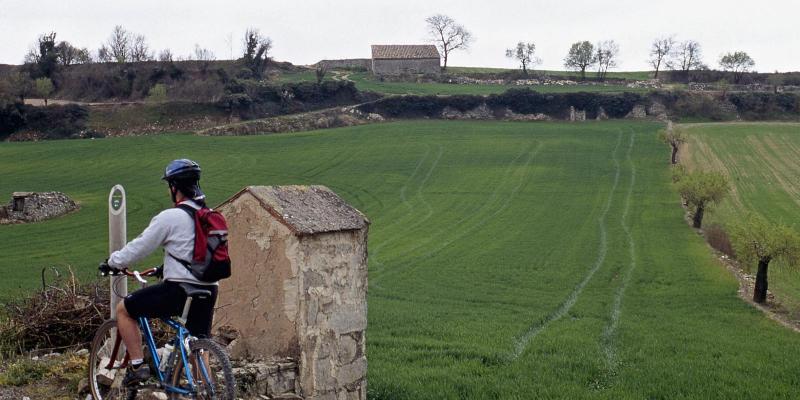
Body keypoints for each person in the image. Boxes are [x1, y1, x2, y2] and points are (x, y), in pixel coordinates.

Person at [99, 159, 218, 386]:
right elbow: (198, 253)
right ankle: (207, 390)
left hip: (180, 290)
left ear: (175, 187)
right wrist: (166, 269)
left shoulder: (170, 217)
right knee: (199, 344)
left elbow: (140, 247)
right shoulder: (210, 216)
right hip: (209, 290)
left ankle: (137, 367)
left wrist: (113, 262)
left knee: (124, 310)